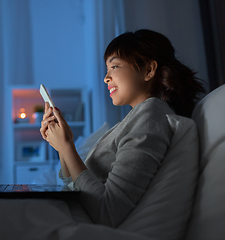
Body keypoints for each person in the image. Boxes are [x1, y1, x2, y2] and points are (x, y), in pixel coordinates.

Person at [40, 29, 205, 228]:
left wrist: (67, 147)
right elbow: (72, 184)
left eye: (115, 66)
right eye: (107, 70)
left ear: (149, 70)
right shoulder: (137, 117)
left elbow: (108, 211)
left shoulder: (151, 116)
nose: (106, 78)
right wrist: (62, 146)